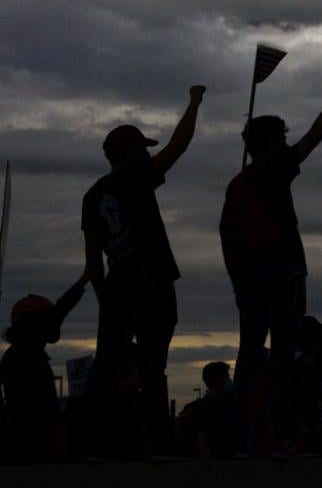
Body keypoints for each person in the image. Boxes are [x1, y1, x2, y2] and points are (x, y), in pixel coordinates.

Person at [220, 70, 322, 458]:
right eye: (281, 137)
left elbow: (228, 239)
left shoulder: (239, 184)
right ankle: (280, 435)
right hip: (282, 275)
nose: (287, 142)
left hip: (248, 283)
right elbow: (320, 130)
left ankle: (241, 437)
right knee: (282, 356)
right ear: (273, 143)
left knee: (249, 355)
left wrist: (238, 284)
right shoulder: (276, 170)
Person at [83, 85, 206, 455]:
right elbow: (178, 147)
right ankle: (158, 445)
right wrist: (194, 102)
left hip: (118, 288)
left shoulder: (92, 196)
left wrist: (108, 300)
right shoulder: (138, 179)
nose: (147, 154)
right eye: (142, 149)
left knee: (107, 367)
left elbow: (93, 263)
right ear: (133, 153)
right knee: (153, 368)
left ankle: (92, 443)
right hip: (152, 285)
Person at [0, 273, 89, 462]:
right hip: (31, 447)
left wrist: (83, 281)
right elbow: (33, 410)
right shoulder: (24, 359)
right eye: (46, 323)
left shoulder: (23, 352)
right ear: (34, 327)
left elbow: (58, 313)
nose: (54, 326)